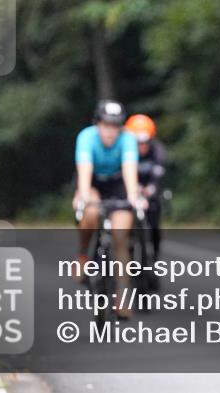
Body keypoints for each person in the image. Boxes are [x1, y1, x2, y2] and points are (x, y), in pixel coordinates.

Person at [73, 100, 146, 319]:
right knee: (90, 212)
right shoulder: (86, 137)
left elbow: (130, 172)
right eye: (106, 125)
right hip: (93, 182)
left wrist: (135, 197)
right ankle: (84, 255)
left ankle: (122, 296)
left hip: (117, 185)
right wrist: (83, 197)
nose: (110, 131)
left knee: (120, 237)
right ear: (98, 124)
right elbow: (85, 174)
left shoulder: (128, 140)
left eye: (115, 126)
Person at [124, 113, 167, 259]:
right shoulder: (125, 151)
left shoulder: (157, 150)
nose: (142, 147)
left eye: (145, 142)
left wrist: (151, 188)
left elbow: (158, 174)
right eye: (138, 143)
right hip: (130, 190)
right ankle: (128, 252)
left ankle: (154, 255)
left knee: (154, 222)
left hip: (150, 189)